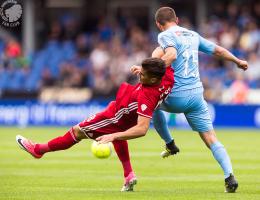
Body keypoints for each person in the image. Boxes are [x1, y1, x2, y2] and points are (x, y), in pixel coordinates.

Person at [131, 7, 248, 193]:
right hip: (196, 96)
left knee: (152, 106)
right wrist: (237, 61)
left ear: (158, 24)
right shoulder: (192, 35)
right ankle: (230, 176)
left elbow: (171, 55)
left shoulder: (165, 35)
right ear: (176, 19)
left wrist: (146, 71)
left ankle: (170, 144)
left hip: (175, 96)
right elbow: (217, 50)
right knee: (211, 138)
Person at [16, 57, 174, 192]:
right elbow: (170, 56)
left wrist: (113, 135)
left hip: (116, 117)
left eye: (143, 74)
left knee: (77, 132)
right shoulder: (167, 77)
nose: (140, 74)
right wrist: (143, 68)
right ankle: (129, 175)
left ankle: (38, 150)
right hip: (123, 109)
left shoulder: (147, 95)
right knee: (118, 133)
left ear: (153, 79)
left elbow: (142, 129)